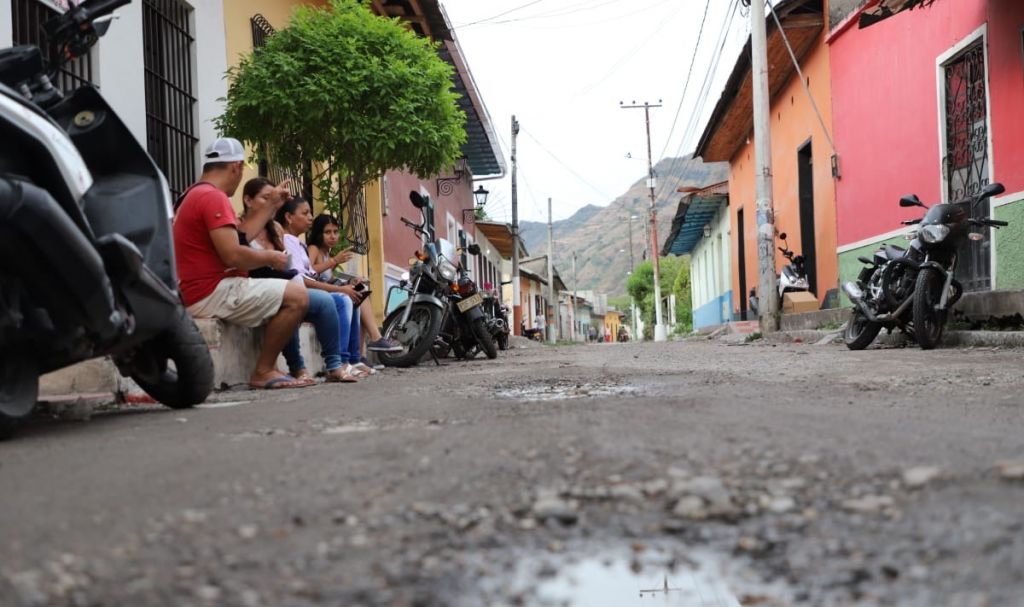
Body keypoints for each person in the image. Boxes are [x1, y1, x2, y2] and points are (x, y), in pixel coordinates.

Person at [172, 137, 310, 390]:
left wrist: (271, 205)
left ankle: (271, 368)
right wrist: (271, 257)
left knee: (282, 292)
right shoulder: (214, 198)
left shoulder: (193, 193)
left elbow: (241, 236)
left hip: (197, 289)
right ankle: (264, 370)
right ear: (235, 167)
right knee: (297, 297)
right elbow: (233, 255)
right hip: (209, 290)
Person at [241, 178, 359, 383]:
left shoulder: (275, 229)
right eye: (265, 198)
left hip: (285, 283)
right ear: (248, 200)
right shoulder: (240, 227)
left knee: (325, 301)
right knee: (295, 300)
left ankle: (335, 365)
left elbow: (290, 266)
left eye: (273, 198)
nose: (271, 202)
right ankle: (297, 368)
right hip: (259, 285)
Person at [276, 198, 399, 379]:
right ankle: (342, 360)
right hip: (298, 292)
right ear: (288, 217)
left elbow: (311, 275)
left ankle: (354, 358)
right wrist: (339, 284)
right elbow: (303, 277)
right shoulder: (300, 245)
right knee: (345, 298)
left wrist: (346, 283)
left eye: (335, 232)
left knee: (356, 294)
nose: (310, 217)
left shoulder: (298, 243)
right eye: (305, 213)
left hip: (308, 290)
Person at [305, 213, 394, 368]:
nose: (332, 236)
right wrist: (334, 261)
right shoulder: (314, 249)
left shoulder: (327, 253)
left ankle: (361, 354)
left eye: (335, 231)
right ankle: (372, 341)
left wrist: (351, 281)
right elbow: (309, 271)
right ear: (318, 233)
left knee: (361, 290)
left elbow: (329, 278)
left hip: (329, 290)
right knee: (357, 296)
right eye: (327, 232)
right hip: (318, 293)